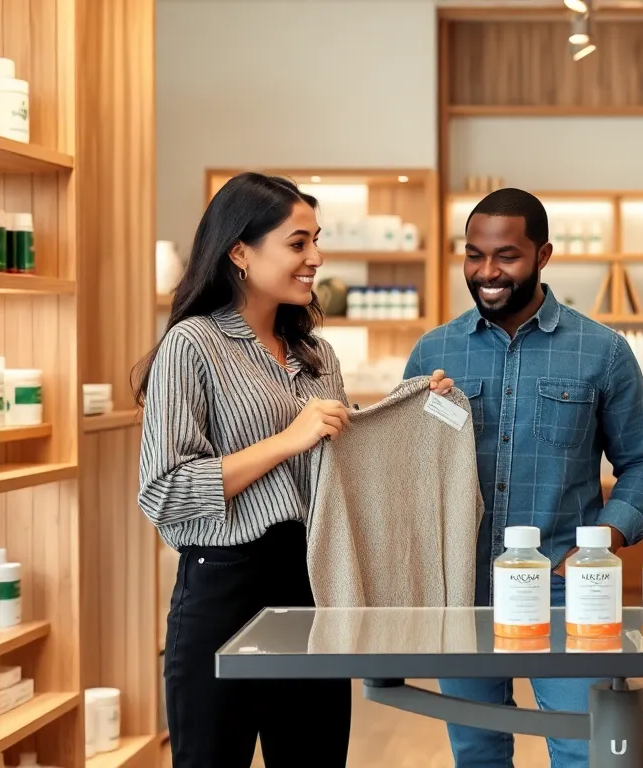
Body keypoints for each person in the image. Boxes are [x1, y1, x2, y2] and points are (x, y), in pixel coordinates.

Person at [132, 172, 454, 768]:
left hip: (311, 587)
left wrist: (421, 408)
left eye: (316, 240)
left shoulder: (315, 356)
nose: (316, 258)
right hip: (223, 589)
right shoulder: (191, 345)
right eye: (298, 243)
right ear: (239, 252)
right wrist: (286, 440)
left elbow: (344, 472)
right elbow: (164, 492)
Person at [403, 187, 643, 767]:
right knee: (476, 752)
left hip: (565, 588)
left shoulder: (603, 352)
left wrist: (605, 543)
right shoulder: (434, 352)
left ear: (543, 255)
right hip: (463, 588)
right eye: (474, 255)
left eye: (506, 256)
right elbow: (409, 471)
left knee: (584, 750)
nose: (487, 272)